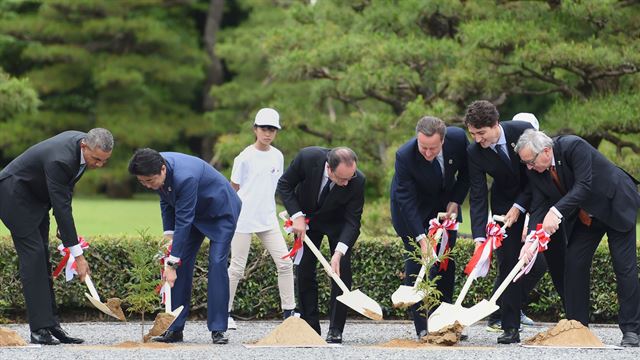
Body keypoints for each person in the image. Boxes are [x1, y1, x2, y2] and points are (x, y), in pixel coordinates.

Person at [515, 129, 640, 347]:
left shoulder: (573, 146)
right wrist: (533, 239)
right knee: (573, 263)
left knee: (624, 267)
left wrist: (556, 212)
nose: (528, 167)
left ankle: (631, 330)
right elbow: (539, 201)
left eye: (530, 161)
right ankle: (577, 325)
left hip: (615, 203)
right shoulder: (535, 169)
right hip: (585, 216)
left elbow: (584, 185)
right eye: (525, 163)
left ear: (546, 151)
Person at [0, 128, 114, 345]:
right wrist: (78, 256)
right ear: (84, 146)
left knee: (43, 257)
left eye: (104, 161)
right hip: (13, 195)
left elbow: (64, 191)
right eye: (96, 159)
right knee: (33, 259)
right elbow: (62, 206)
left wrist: (65, 229)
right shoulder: (61, 159)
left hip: (37, 199)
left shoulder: (81, 149)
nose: (99, 165)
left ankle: (51, 325)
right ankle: (39, 329)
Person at [464, 100, 561, 344]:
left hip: (538, 192)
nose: (477, 139)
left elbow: (538, 168)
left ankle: (574, 318)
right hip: (503, 204)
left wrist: (521, 207)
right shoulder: (474, 152)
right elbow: (477, 195)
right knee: (508, 260)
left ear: (496, 124)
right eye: (473, 133)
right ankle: (509, 326)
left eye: (481, 133)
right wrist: (479, 237)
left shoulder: (522, 129)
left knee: (555, 254)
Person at [128, 149, 241, 345]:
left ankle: (218, 328)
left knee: (216, 263)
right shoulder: (153, 165)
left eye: (149, 181)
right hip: (193, 213)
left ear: (163, 169)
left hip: (221, 211)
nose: (147, 185)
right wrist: (168, 236)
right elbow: (166, 202)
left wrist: (171, 263)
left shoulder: (184, 176)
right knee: (182, 264)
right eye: (142, 182)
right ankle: (174, 328)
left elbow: (184, 219)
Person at [389, 116, 469, 338]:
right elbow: (405, 200)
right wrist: (421, 238)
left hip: (445, 208)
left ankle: (444, 323)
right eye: (423, 147)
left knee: (445, 264)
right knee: (419, 265)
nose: (427, 152)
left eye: (433, 148)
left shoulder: (458, 139)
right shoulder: (404, 155)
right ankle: (423, 327)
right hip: (411, 212)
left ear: (443, 140)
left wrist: (456, 200)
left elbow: (467, 173)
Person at [276, 146, 365, 344]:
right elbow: (284, 185)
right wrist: (297, 216)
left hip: (338, 222)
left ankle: (335, 328)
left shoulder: (357, 180)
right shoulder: (307, 158)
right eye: (342, 178)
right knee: (305, 269)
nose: (346, 183)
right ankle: (310, 324)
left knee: (341, 271)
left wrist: (339, 252)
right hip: (306, 221)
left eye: (349, 178)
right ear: (329, 168)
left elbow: (353, 221)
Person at [227, 108, 296, 329]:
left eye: (272, 130)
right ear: (255, 129)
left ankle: (289, 312)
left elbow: (277, 186)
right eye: (264, 129)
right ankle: (224, 313)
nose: (268, 133)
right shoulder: (244, 157)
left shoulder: (278, 156)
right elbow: (233, 189)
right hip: (243, 220)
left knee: (285, 263)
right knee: (236, 268)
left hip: (268, 219)